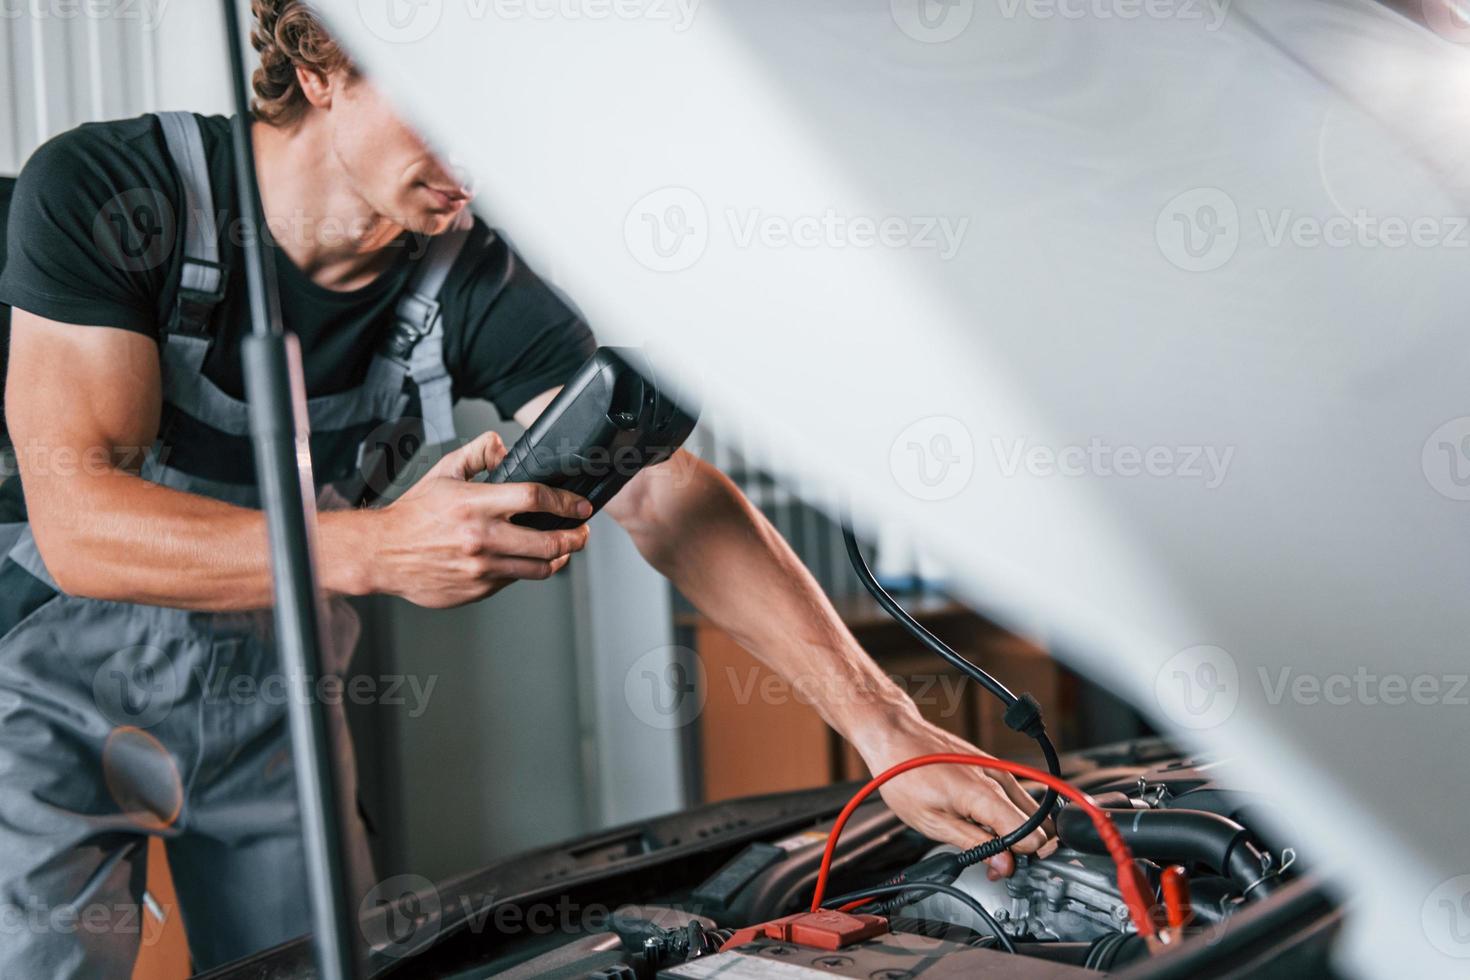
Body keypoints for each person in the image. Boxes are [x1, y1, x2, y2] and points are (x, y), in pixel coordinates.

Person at [0, 1, 1052, 974]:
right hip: (43, 696)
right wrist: (381, 547)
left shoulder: (466, 272)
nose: (481, 155)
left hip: (274, 702)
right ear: (323, 61)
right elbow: (80, 519)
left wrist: (884, 726)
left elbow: (665, 492)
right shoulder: (113, 191)